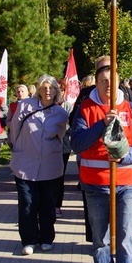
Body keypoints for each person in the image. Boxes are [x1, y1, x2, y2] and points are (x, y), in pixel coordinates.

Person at [71, 64, 132, 263]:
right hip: (95, 185)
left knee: (126, 239)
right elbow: (77, 143)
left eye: (112, 80)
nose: (108, 85)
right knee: (101, 239)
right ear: (96, 82)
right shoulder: (85, 109)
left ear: (118, 83)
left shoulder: (130, 108)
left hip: (126, 183)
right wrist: (99, 126)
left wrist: (126, 156)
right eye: (103, 80)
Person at [9, 75, 67, 255]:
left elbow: (61, 136)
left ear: (56, 91)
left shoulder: (60, 113)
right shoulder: (25, 106)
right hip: (25, 163)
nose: (47, 90)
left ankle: (47, 238)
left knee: (47, 204)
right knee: (27, 203)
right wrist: (18, 148)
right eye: (44, 87)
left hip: (50, 166)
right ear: (39, 90)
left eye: (51, 88)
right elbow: (14, 130)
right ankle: (29, 239)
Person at [56, 77, 74, 217]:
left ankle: (57, 205)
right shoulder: (45, 106)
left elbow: (72, 125)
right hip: (48, 145)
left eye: (61, 90)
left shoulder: (68, 106)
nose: (59, 93)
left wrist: (62, 127)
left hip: (64, 145)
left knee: (59, 176)